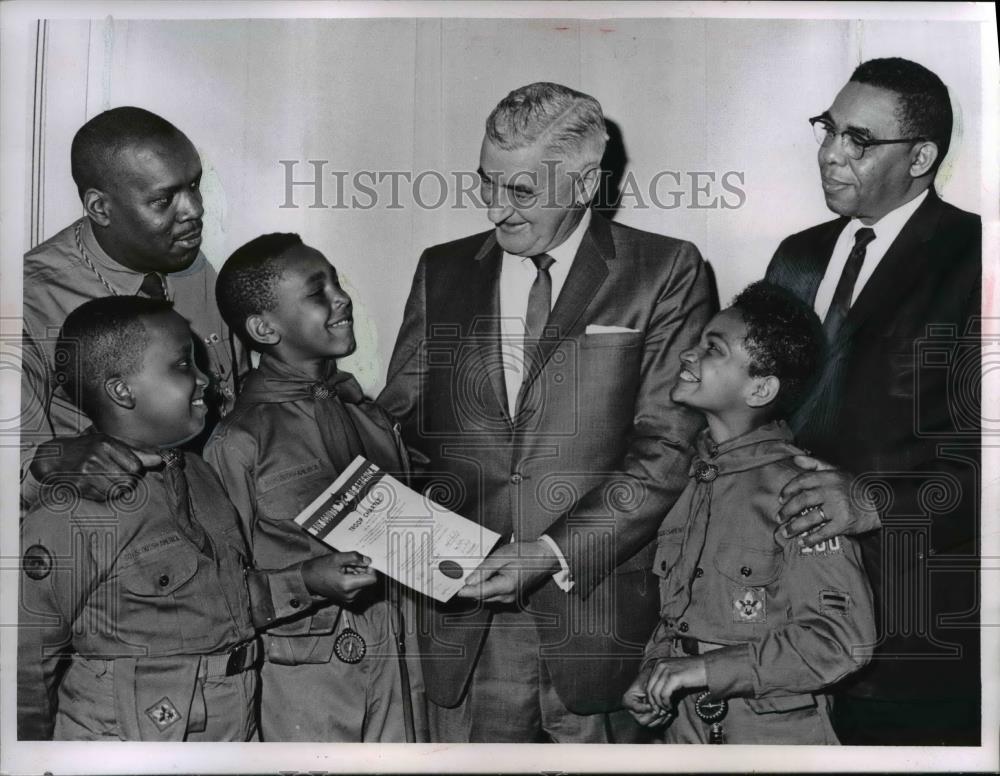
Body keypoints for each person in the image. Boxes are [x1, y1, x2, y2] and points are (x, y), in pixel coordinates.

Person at [379, 81, 713, 742]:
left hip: (595, 621)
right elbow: (401, 434)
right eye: (487, 183)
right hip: (464, 624)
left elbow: (668, 448)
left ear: (586, 184)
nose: (496, 209)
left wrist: (550, 552)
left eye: (521, 191)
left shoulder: (665, 270)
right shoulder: (440, 271)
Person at [17, 297, 377, 741]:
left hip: (230, 726)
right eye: (184, 365)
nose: (206, 379)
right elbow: (24, 661)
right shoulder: (78, 507)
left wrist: (306, 580)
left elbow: (219, 603)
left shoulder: (198, 473)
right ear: (122, 391)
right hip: (131, 743)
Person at [766, 57, 981, 745]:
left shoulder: (980, 257)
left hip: (912, 637)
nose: (830, 153)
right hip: (784, 621)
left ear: (921, 157)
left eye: (859, 140)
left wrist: (874, 504)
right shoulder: (796, 256)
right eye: (828, 130)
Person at [622, 281, 875, 744]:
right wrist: (656, 671)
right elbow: (679, 615)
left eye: (712, 349)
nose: (687, 356)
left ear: (759, 387)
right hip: (684, 731)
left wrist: (704, 670)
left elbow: (842, 641)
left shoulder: (798, 489)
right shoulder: (692, 482)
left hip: (771, 735)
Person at [204, 233, 422, 742]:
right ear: (263, 327)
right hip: (301, 686)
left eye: (337, 283)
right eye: (316, 291)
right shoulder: (239, 442)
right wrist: (305, 579)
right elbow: (218, 596)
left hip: (398, 669)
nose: (341, 298)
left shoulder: (372, 419)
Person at [20, 106, 244, 509]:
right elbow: (17, 470)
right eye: (163, 199)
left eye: (193, 186)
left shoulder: (189, 260)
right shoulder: (27, 301)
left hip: (225, 498)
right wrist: (52, 464)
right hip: (124, 527)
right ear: (100, 208)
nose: (194, 210)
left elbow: (234, 390)